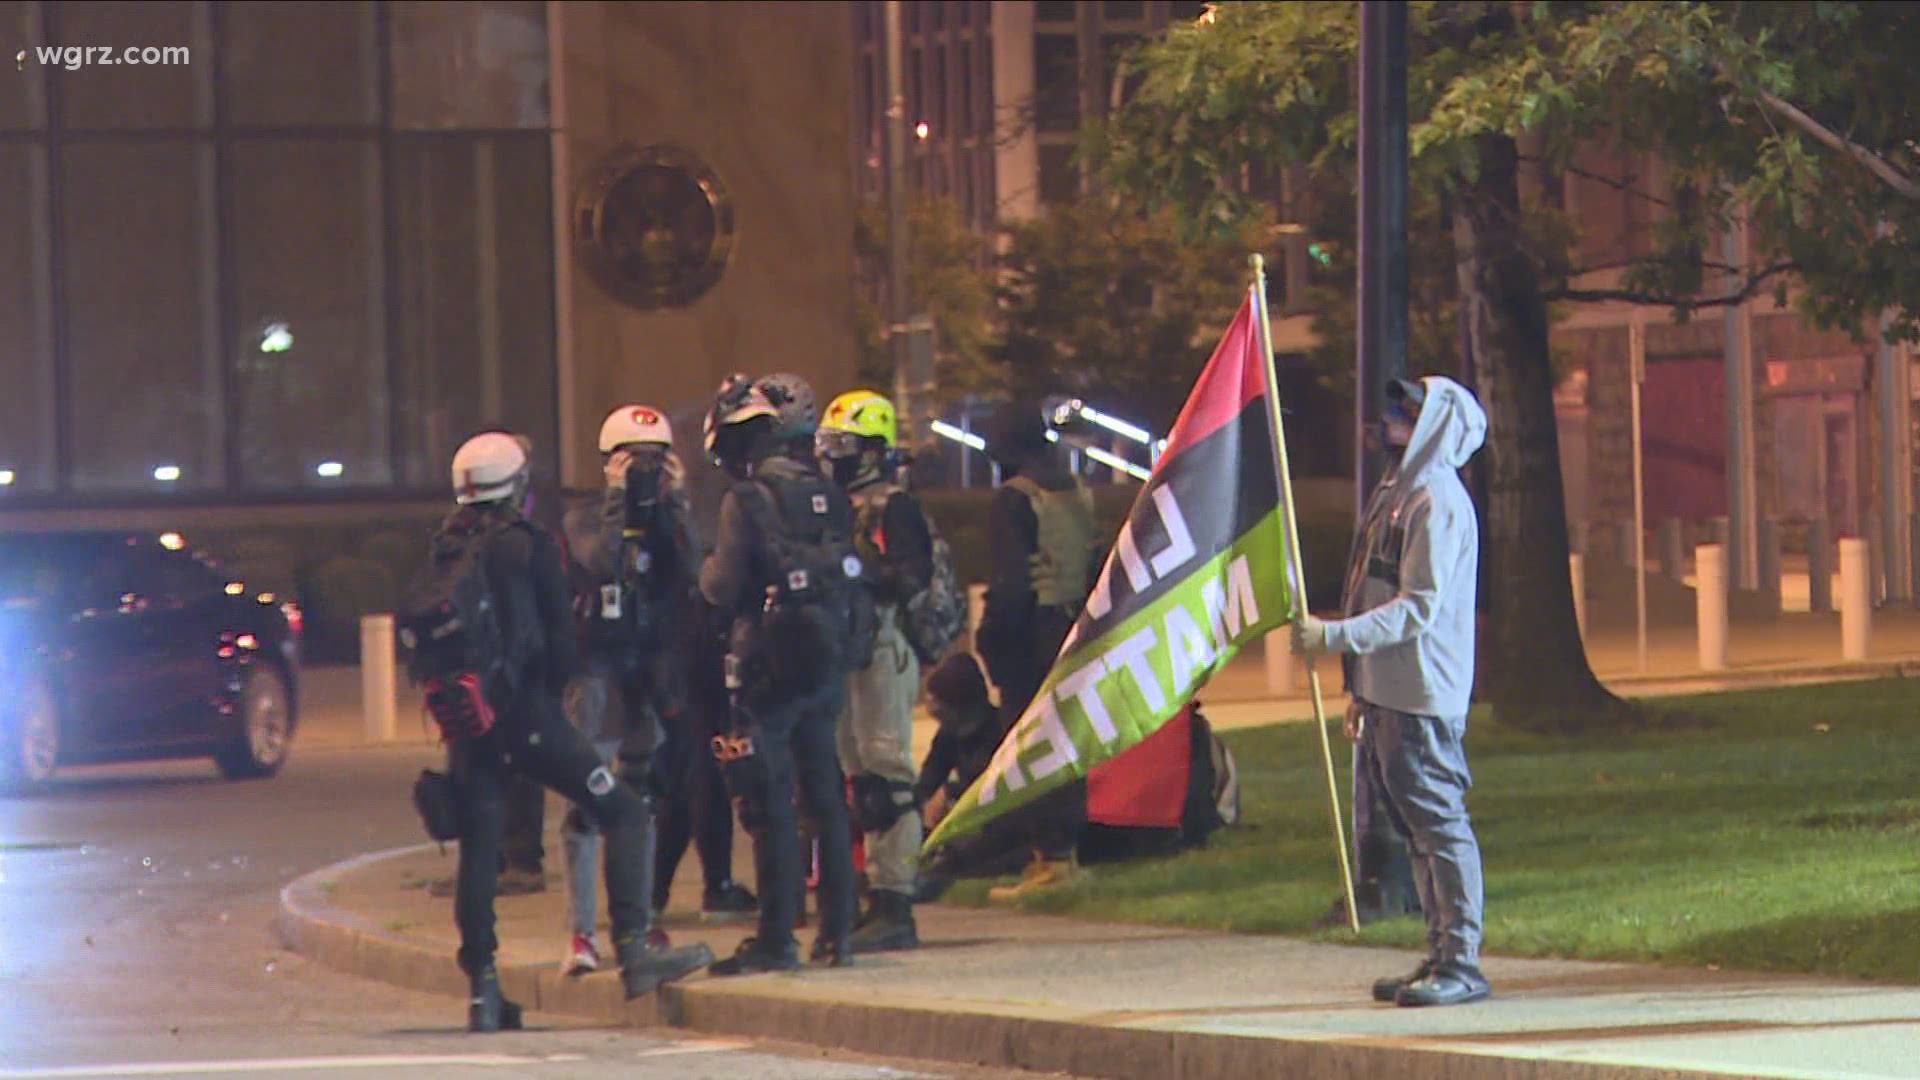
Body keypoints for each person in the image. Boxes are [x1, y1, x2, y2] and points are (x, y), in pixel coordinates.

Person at [422, 431, 712, 1032]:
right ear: (516, 487)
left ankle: (484, 989)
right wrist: (547, 706)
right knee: (624, 811)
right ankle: (634, 950)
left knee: (480, 849)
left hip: (468, 721)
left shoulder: (447, 547)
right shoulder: (529, 547)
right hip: (528, 716)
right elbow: (560, 644)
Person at [1291, 375, 1491, 1009]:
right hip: (1389, 691)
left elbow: (1418, 608)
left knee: (1439, 826)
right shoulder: (1398, 496)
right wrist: (1361, 685)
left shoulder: (1436, 502)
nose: (1390, 420)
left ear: (1436, 424)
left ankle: (1461, 961)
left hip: (1422, 693)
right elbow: (1375, 587)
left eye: (1408, 410)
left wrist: (1333, 638)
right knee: (1420, 830)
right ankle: (1440, 954)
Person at [699, 373, 866, 975]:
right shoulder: (827, 492)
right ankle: (838, 931)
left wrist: (704, 576)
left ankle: (777, 935)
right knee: (825, 792)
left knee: (767, 797)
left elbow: (724, 585)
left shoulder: (746, 499)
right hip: (824, 655)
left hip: (767, 661)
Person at [555, 404, 710, 975]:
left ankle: (638, 921)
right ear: (608, 462)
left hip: (649, 666)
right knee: (587, 799)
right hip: (597, 670)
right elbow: (605, 564)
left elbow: (694, 571)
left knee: (641, 800)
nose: (644, 471)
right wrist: (622, 499)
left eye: (654, 460)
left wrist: (680, 503)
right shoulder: (584, 516)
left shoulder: (669, 518)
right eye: (631, 459)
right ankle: (581, 934)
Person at [816, 390, 934, 954]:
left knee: (887, 773)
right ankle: (873, 894)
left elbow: (911, 574)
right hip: (845, 642)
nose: (835, 458)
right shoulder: (829, 504)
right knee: (858, 773)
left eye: (846, 447)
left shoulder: (894, 506)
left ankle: (896, 900)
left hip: (883, 640)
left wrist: (857, 568)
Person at [976, 403, 1101, 727]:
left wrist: (993, 640)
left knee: (1026, 741)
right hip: (1079, 628)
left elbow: (1013, 583)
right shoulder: (1078, 491)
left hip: (1030, 639)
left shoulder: (1015, 497)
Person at [651, 586, 758, 924]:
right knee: (704, 765)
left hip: (675, 627)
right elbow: (721, 573)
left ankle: (653, 889)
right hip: (701, 627)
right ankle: (715, 885)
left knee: (688, 770)